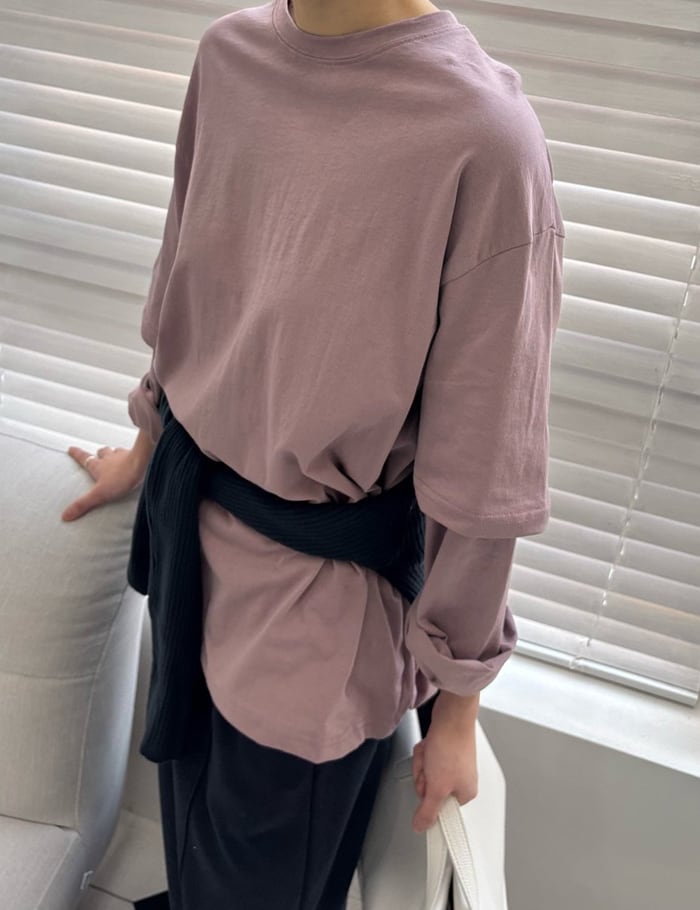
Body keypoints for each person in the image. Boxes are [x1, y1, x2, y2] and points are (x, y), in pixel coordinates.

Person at [61, 1, 565, 908]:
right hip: (189, 556)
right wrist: (146, 442)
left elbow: (486, 465)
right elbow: (187, 283)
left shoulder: (483, 139)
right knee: (192, 844)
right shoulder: (230, 55)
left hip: (314, 620)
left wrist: (457, 708)